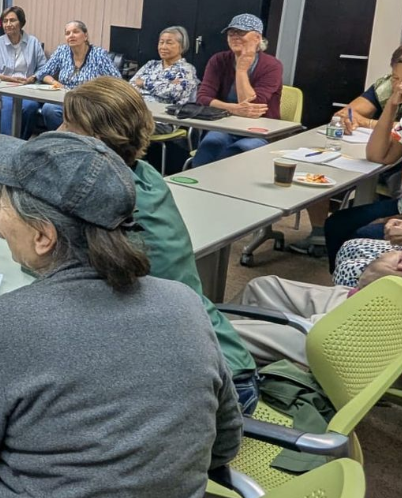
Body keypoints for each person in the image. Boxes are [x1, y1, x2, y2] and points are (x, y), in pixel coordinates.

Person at [0, 131, 243, 498]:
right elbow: (225, 443)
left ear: (44, 236)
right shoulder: (186, 303)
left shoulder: (3, 326)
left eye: (4, 207)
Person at [61, 77, 260, 414]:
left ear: (96, 141)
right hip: (224, 358)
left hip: (213, 391)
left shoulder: (109, 199)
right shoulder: (143, 172)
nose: (61, 131)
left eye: (69, 124)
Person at [231, 224, 402, 400]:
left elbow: (383, 289)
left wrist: (378, 270)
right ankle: (229, 381)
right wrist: (386, 264)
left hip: (390, 344)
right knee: (262, 287)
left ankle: (212, 388)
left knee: (225, 337)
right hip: (369, 307)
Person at [289, 42, 402, 256]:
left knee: (360, 231)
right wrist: (390, 106)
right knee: (322, 166)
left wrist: (370, 123)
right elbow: (345, 115)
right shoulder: (393, 94)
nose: (399, 86)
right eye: (395, 78)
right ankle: (318, 233)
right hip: (388, 168)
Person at [323, 47, 402, 275]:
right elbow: (379, 155)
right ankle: (344, 292)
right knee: (336, 224)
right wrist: (391, 105)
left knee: (360, 236)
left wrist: (394, 219)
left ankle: (365, 292)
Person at [191, 14, 284, 167]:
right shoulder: (218, 60)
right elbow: (203, 97)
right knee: (210, 145)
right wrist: (232, 109)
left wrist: (241, 71)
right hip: (225, 125)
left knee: (239, 151)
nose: (235, 37)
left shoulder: (272, 65)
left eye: (241, 33)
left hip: (259, 130)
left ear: (257, 38)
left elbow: (254, 104)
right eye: (231, 33)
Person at [0, 6, 45, 136]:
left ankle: (20, 143)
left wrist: (33, 78)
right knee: (7, 105)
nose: (8, 24)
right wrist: (6, 77)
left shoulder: (33, 43)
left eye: (12, 20)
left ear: (21, 22)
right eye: (5, 21)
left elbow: (43, 68)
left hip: (26, 88)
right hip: (2, 89)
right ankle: (5, 144)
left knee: (31, 107)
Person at [36, 20, 119, 130]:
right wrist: (55, 83)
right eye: (67, 33)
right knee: (49, 109)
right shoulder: (62, 51)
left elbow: (117, 80)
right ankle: (61, 140)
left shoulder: (99, 54)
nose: (71, 36)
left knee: (80, 115)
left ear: (85, 36)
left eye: (75, 32)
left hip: (89, 101)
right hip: (65, 98)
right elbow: (43, 73)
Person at [130, 25, 199, 119]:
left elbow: (175, 92)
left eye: (169, 43)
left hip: (165, 118)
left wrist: (144, 83)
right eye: (161, 42)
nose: (163, 47)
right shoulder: (151, 64)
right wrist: (165, 85)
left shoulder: (186, 69)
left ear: (182, 46)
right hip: (137, 112)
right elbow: (131, 86)